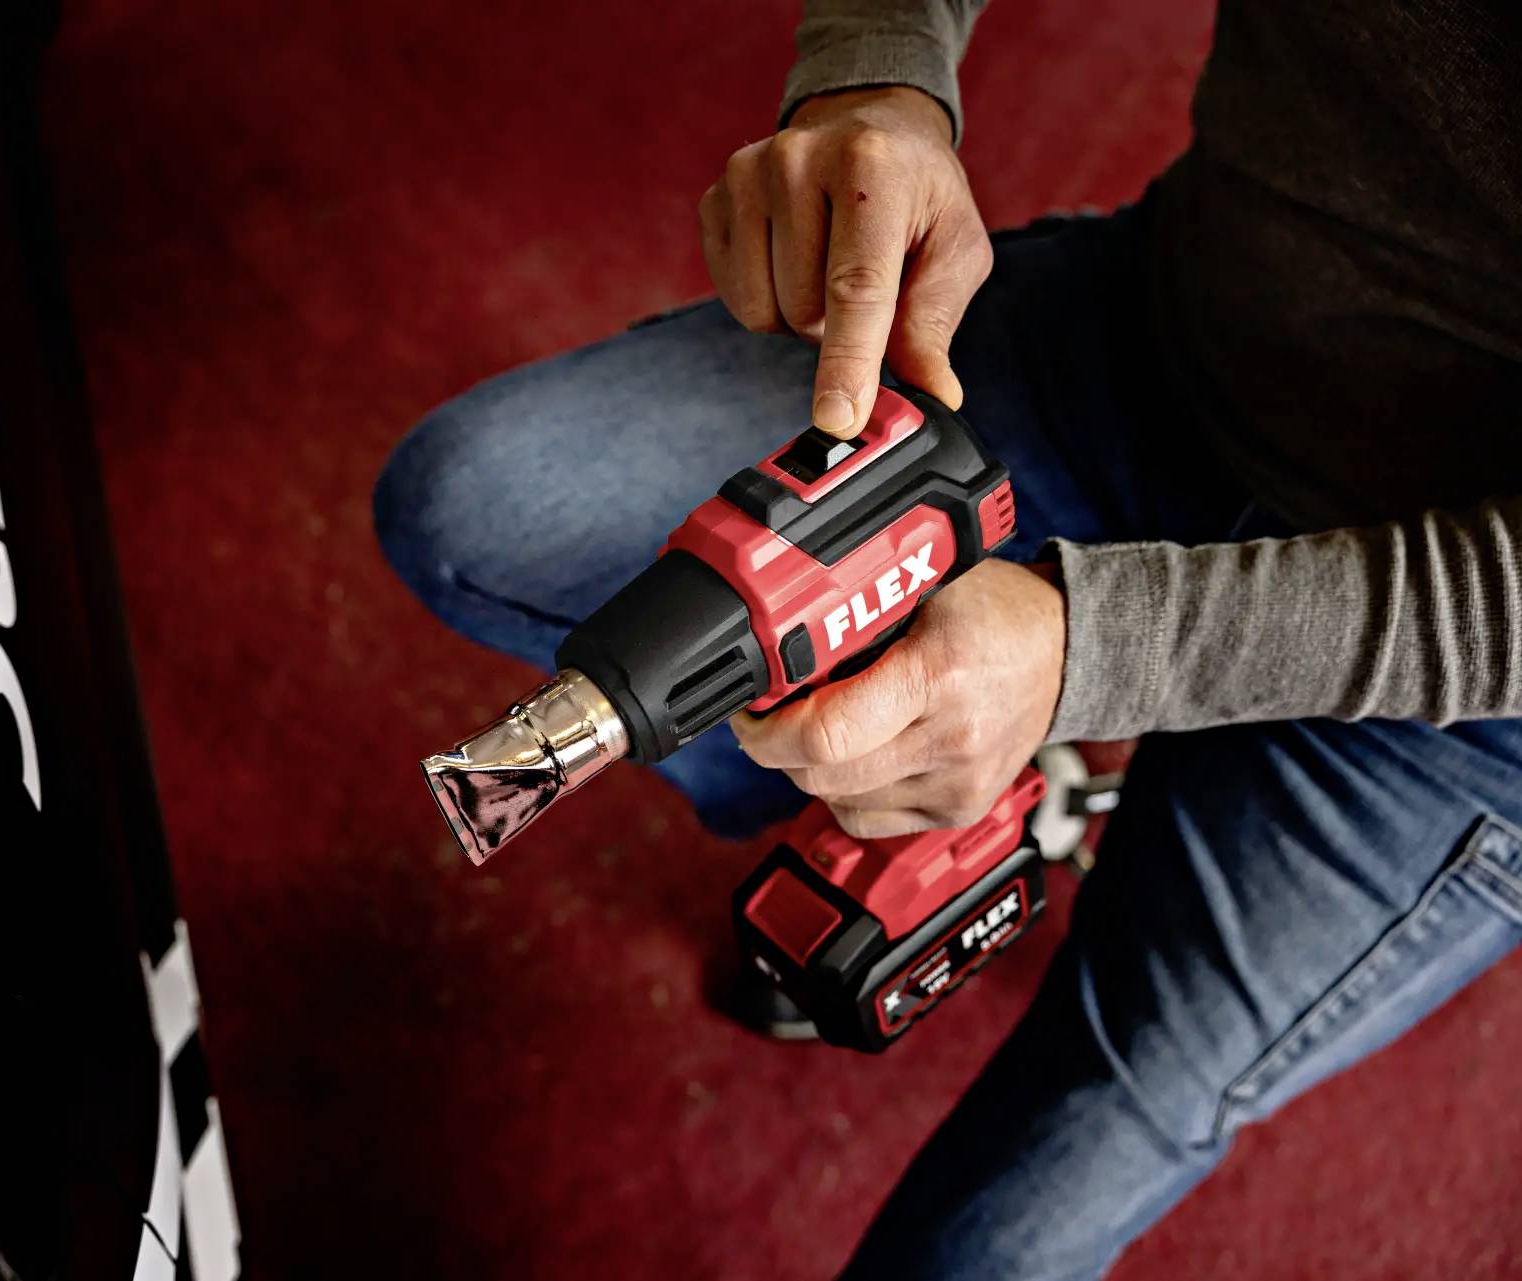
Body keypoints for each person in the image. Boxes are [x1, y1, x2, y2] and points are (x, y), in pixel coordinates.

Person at [373, 0, 1522, 1275]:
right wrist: (880, 79)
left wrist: (1096, 654)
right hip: (1173, 343)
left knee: (1030, 1191)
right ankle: (912, 776)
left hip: (1464, 692)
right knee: (471, 509)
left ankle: (1000, 776)